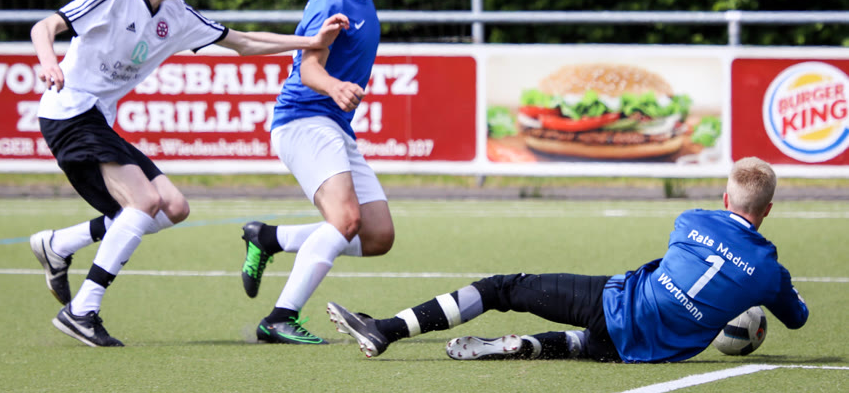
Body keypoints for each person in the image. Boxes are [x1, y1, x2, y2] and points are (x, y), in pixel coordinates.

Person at [29, 0, 349, 347]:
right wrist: (49, 61)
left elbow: (244, 43)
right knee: (143, 202)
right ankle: (82, 310)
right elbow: (44, 27)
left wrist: (310, 42)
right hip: (68, 112)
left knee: (174, 207)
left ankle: (59, 245)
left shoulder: (177, 16)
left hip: (96, 119)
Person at [327, 157, 809, 362]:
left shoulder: (690, 220)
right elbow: (798, 317)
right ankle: (529, 346)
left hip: (614, 304)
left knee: (503, 287)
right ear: (768, 210)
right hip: (645, 351)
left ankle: (386, 329)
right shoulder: (770, 272)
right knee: (584, 344)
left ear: (725, 198)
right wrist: (766, 287)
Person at [238, 0, 394, 345]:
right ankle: (280, 318)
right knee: (345, 220)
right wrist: (334, 86)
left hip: (332, 125)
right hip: (303, 119)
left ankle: (269, 238)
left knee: (378, 235)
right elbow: (307, 68)